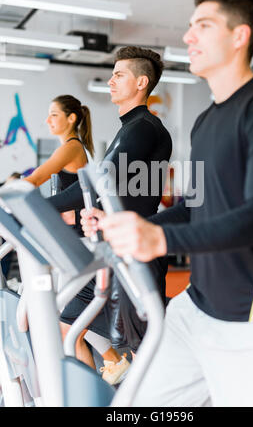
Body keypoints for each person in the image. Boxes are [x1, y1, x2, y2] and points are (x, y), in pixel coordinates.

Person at [84, 0, 253, 406]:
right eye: (189, 26)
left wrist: (160, 239)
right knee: (132, 406)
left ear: (239, 36)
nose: (188, 36)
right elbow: (192, 206)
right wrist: (131, 227)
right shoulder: (204, 122)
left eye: (203, 25)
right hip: (195, 308)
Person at [48, 46, 172, 384]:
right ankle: (100, 394)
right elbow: (101, 186)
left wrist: (41, 205)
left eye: (119, 75)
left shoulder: (144, 128)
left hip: (133, 252)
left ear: (141, 82)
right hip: (111, 249)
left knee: (142, 348)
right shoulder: (128, 128)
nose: (111, 81)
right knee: (68, 325)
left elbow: (100, 184)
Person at [25, 95, 94, 232]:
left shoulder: (71, 148)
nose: (48, 120)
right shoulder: (71, 146)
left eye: (54, 115)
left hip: (76, 225)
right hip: (71, 222)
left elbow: (36, 179)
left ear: (71, 118)